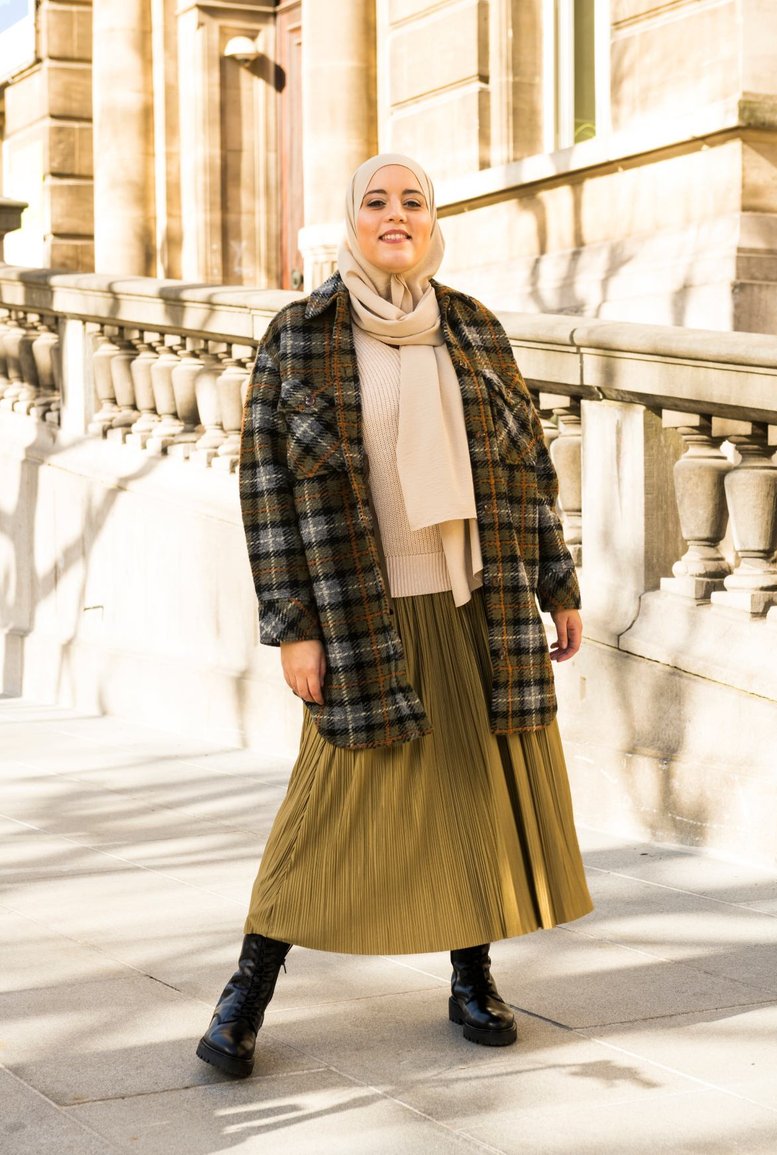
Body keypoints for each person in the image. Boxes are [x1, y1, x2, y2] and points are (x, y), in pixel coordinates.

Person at [196, 153, 593, 1079]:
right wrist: (293, 625)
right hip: (356, 610)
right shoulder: (301, 335)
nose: (396, 214)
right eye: (376, 201)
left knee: (470, 792)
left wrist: (558, 582)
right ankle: (247, 989)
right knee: (327, 805)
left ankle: (471, 977)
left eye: (413, 200)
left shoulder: (473, 328)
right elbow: (265, 490)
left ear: (432, 218)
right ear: (352, 220)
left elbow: (528, 466)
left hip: (474, 601)